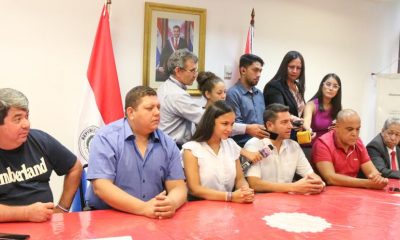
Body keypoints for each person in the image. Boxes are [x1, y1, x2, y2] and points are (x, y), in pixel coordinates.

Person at [86, 86, 187, 219]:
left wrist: (171, 203)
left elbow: (178, 187)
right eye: (150, 108)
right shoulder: (106, 138)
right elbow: (101, 187)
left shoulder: (167, 143)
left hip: (153, 216)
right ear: (131, 112)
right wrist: (143, 208)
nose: (157, 113)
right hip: (108, 216)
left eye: (158, 107)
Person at [0, 88, 82, 222]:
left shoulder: (40, 140)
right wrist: (26, 213)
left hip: (45, 226)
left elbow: (75, 167)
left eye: (26, 117)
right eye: (17, 119)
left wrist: (62, 208)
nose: (26, 124)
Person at [157, 49, 268, 149]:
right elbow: (207, 120)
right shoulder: (176, 94)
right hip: (173, 147)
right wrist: (247, 128)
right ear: (178, 71)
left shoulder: (167, 87)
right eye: (192, 70)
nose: (195, 75)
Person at [182, 101, 255, 203]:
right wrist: (229, 196)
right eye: (225, 124)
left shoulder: (231, 144)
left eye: (232, 124)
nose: (230, 129)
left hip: (229, 206)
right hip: (200, 208)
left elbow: (239, 179)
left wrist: (245, 190)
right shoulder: (191, 149)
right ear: (210, 122)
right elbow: (195, 189)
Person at [245, 103, 325, 194]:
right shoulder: (253, 145)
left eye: (290, 121)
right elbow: (254, 184)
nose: (290, 126)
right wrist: (294, 187)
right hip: (261, 201)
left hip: (288, 203)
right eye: (284, 122)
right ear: (270, 125)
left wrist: (318, 184)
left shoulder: (293, 145)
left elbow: (311, 175)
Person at [312, 109, 389, 189]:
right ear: (337, 127)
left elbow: (372, 171)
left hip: (353, 193)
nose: (354, 134)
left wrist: (378, 179)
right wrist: (367, 183)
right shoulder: (323, 144)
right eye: (350, 129)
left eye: (357, 129)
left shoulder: (358, 142)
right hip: (328, 194)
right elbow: (330, 178)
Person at [226, 54, 268, 147]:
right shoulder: (233, 93)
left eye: (260, 71)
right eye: (255, 70)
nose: (259, 75)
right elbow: (233, 124)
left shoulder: (259, 94)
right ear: (243, 70)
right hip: (241, 146)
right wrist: (249, 130)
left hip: (262, 143)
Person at [264, 51, 306, 119]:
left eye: (298, 68)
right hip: (282, 128)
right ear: (284, 67)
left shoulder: (298, 86)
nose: (294, 71)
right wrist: (300, 122)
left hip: (298, 128)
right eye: (291, 67)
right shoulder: (273, 86)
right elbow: (280, 113)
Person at [303, 73, 342, 143]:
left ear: (338, 90)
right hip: (311, 145)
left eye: (335, 86)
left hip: (328, 145)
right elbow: (306, 122)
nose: (331, 88)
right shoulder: (311, 105)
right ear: (322, 85)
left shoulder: (338, 107)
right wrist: (309, 130)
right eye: (328, 84)